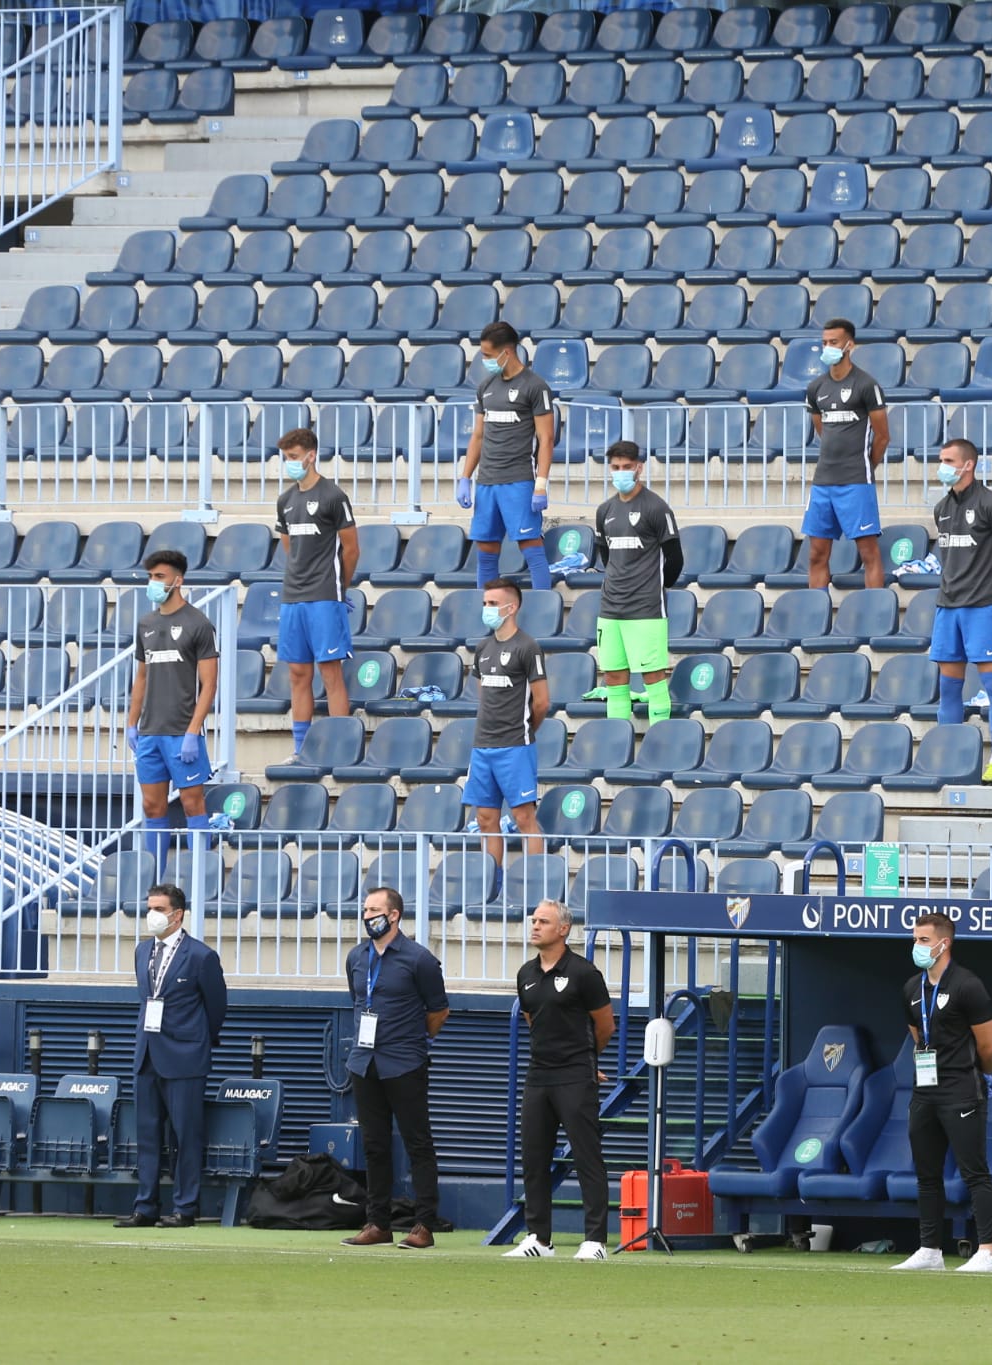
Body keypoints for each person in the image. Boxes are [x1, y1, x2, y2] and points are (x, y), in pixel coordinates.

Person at [502, 899, 616, 1263]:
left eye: (543, 921)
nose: (535, 926)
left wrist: (585, 1060)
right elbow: (535, 1021)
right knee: (534, 1157)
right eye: (533, 920)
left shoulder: (583, 973)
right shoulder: (526, 974)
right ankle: (539, 1238)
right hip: (538, 1076)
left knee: (587, 1156)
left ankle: (595, 1239)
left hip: (575, 1076)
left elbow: (605, 1025)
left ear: (563, 929)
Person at [891, 912, 992, 1275]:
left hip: (962, 1090)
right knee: (927, 1173)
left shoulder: (968, 985)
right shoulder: (911, 988)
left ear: (944, 943)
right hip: (924, 1091)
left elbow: (989, 1045)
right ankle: (930, 1249)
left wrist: (977, 1076)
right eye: (914, 939)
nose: (917, 947)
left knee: (974, 1172)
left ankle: (988, 1252)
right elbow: (917, 1036)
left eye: (924, 940)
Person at [340, 886, 449, 1250]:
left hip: (404, 1062)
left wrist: (415, 1040)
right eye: (365, 909)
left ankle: (424, 1224)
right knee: (374, 1145)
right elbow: (357, 1001)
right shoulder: (356, 956)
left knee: (418, 1143)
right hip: (364, 1062)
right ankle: (377, 1222)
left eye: (374, 910)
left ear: (394, 915)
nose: (367, 915)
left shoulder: (419, 959)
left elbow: (438, 1011)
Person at [116, 883, 226, 1229]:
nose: (152, 915)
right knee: (147, 1134)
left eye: (159, 909)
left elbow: (216, 1008)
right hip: (147, 1054)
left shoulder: (201, 956)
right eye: (149, 907)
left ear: (177, 914)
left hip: (185, 1056)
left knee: (186, 1135)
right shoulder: (141, 951)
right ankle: (145, 1206)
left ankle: (185, 1207)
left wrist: (196, 1042)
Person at [929, 438, 992, 784]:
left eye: (949, 460)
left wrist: (990, 589)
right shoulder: (941, 508)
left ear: (968, 465)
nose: (942, 466)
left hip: (982, 608)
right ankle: (950, 758)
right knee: (949, 688)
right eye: (941, 460)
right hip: (947, 608)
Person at [125, 550, 218, 871]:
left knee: (193, 804)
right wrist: (131, 723)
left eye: (159, 577)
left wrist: (193, 731)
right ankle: (157, 878)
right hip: (149, 733)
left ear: (178, 581)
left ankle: (199, 874)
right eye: (151, 577)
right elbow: (141, 676)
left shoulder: (199, 624)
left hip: (181, 733)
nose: (153, 583)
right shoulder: (146, 624)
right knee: (152, 806)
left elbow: (209, 685)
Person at [275, 428, 359, 766]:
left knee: (330, 672)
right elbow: (288, 546)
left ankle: (340, 747)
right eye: (286, 458)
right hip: (293, 595)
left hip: (325, 594)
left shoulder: (333, 496)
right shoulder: (285, 501)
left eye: (294, 457)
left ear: (311, 455)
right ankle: (301, 748)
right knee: (297, 673)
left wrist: (340, 588)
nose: (290, 464)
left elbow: (351, 549)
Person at [456, 321, 558, 593]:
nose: (484, 360)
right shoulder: (486, 386)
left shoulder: (535, 387)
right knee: (486, 549)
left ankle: (541, 608)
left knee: (531, 546)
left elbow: (546, 439)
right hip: (487, 482)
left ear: (507, 352)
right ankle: (485, 611)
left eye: (488, 355)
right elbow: (478, 436)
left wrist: (541, 484)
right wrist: (465, 477)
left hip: (519, 481)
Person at [592, 440, 685, 724]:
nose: (620, 472)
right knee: (614, 678)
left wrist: (654, 588)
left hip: (645, 609)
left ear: (639, 468)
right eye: (615, 467)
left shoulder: (657, 508)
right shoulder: (604, 511)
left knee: (652, 677)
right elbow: (607, 558)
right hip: (610, 610)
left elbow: (675, 559)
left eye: (626, 467)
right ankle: (616, 741)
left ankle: (661, 741)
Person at [803, 318, 891, 591]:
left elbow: (883, 436)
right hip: (823, 482)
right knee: (817, 553)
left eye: (834, 342)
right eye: (824, 342)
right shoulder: (816, 388)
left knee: (868, 553)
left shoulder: (866, 384)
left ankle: (875, 613)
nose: (827, 347)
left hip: (855, 481)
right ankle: (816, 615)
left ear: (849, 345)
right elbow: (822, 431)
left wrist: (865, 466)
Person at [468, 577, 550, 866]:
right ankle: (493, 889)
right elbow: (484, 697)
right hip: (482, 746)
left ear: (511, 607)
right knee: (485, 818)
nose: (487, 608)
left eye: (492, 603)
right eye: (485, 603)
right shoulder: (482, 648)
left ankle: (537, 888)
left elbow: (541, 701)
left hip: (515, 746)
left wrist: (526, 730)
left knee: (524, 817)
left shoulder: (528, 647)